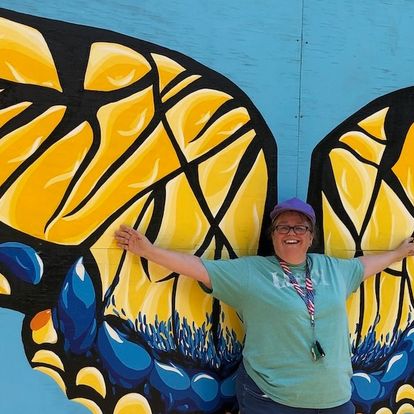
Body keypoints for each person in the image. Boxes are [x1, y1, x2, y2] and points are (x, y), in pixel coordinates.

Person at [114, 197, 414, 414]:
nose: (291, 233)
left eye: (300, 228)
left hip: (335, 400)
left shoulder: (334, 269)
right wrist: (148, 251)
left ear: (311, 237)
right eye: (283, 227)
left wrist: (400, 252)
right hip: (272, 400)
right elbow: (197, 267)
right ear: (272, 236)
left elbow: (366, 265)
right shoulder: (250, 272)